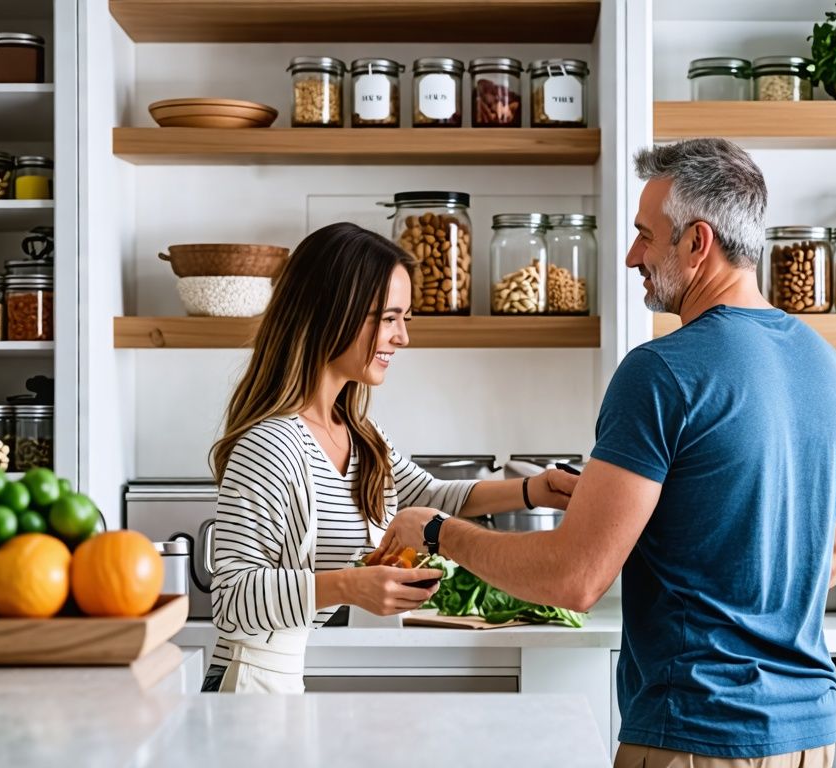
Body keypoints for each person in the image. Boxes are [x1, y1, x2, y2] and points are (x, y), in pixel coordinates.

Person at [377, 139, 836, 768]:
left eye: (644, 236)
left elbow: (574, 580)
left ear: (698, 242)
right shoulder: (829, 368)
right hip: (810, 734)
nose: (632, 256)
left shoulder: (663, 372)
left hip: (695, 733)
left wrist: (438, 531)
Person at [202, 222, 579, 694]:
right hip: (241, 691)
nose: (402, 338)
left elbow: (428, 494)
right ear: (331, 312)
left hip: (283, 683)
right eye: (388, 318)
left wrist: (532, 490)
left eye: (405, 319)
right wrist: (347, 586)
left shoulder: (360, 436)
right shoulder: (272, 445)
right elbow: (231, 598)